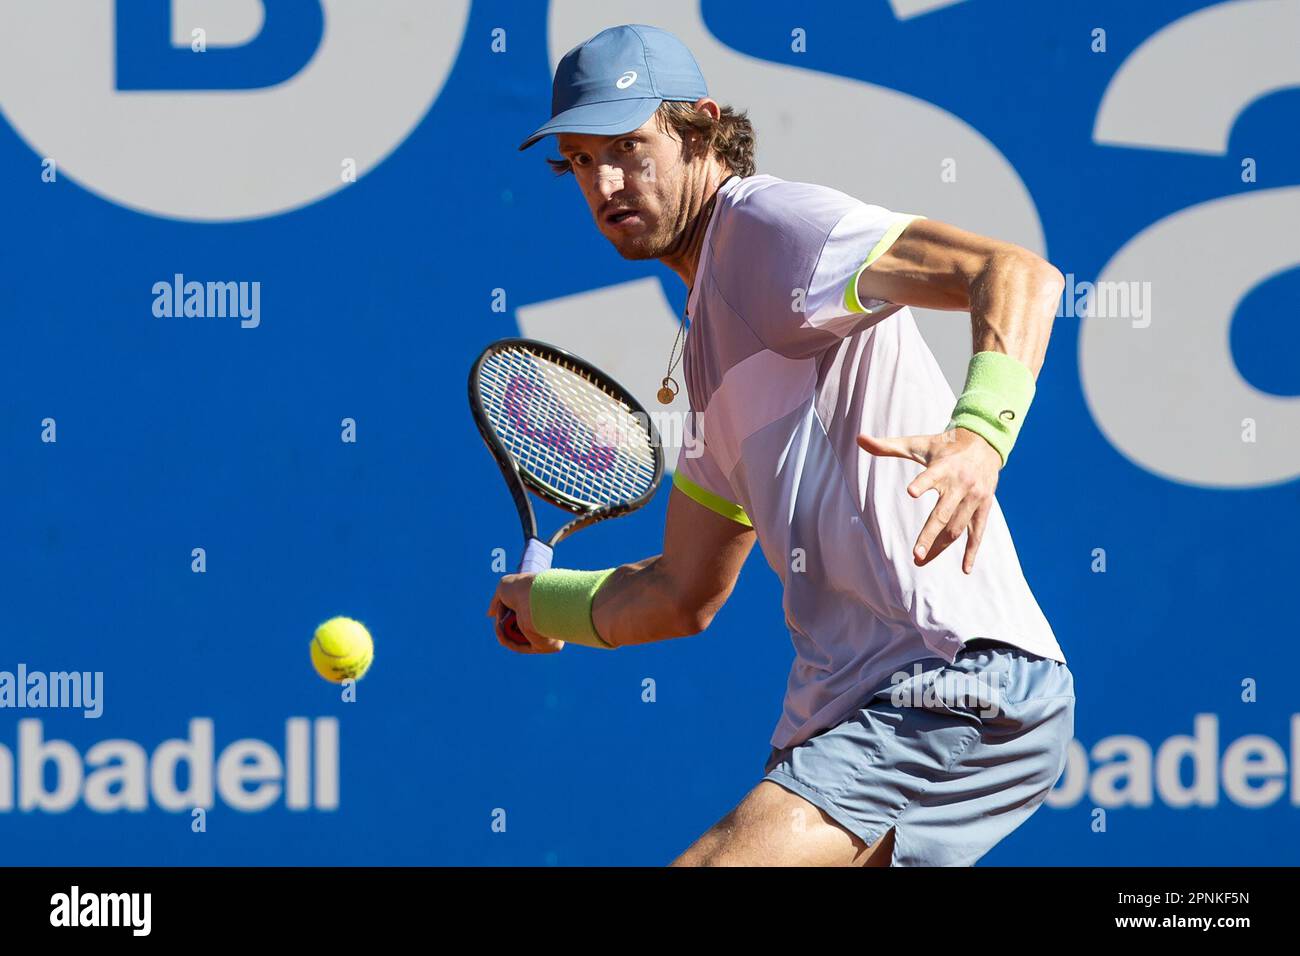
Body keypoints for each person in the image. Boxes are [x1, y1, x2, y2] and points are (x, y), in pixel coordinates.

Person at [489, 23, 1075, 867]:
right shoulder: (708, 353)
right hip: (848, 712)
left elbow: (1017, 272)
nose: (605, 182)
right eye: (580, 159)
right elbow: (682, 591)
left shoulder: (768, 227)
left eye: (628, 146)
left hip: (948, 675)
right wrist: (542, 603)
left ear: (699, 127)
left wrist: (979, 438)